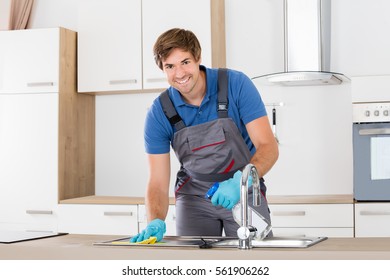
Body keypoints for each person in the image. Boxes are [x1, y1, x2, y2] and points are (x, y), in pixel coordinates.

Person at [130, 28, 278, 243]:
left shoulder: (236, 85)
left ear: (198, 58)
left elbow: (268, 147)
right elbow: (157, 183)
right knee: (191, 263)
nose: (179, 73)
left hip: (242, 190)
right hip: (194, 198)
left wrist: (240, 183)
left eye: (185, 62)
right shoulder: (159, 112)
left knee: (254, 261)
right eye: (170, 66)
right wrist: (155, 220)